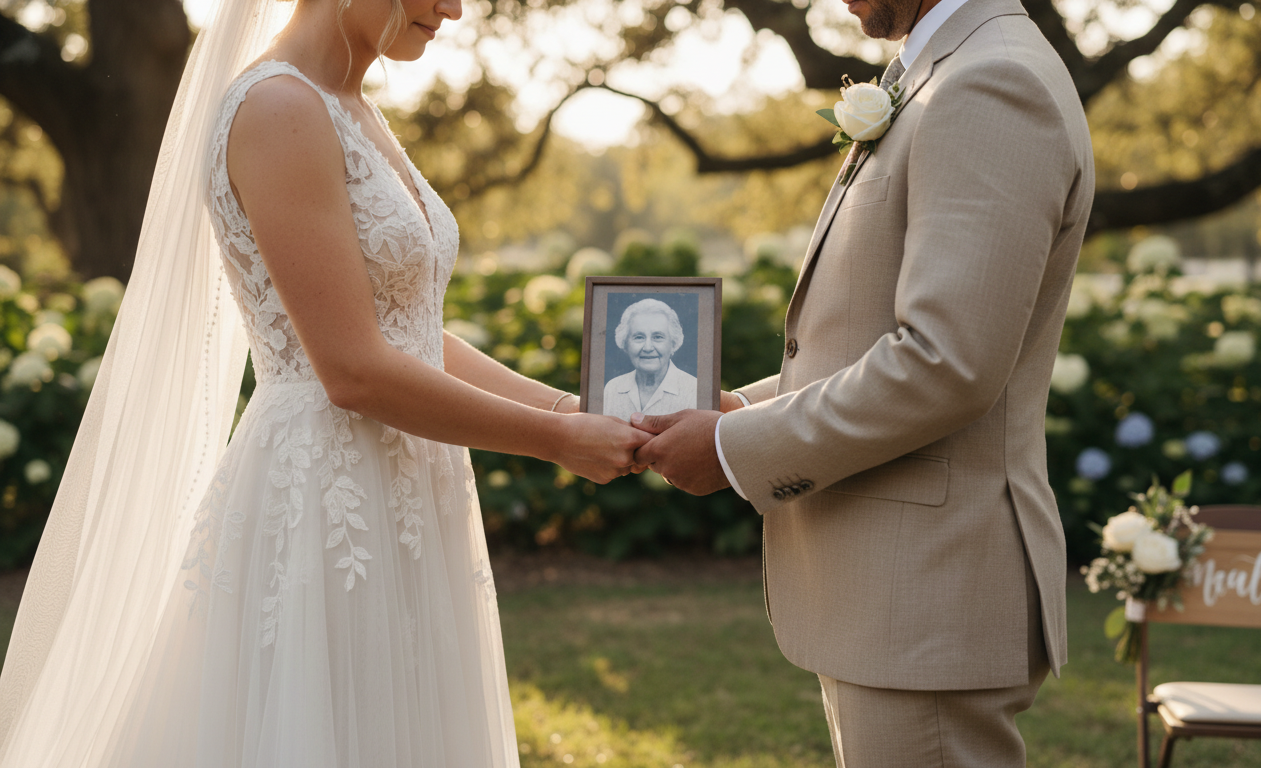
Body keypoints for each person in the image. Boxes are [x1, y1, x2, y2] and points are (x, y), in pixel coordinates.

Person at [0, 0, 647, 764]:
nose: (456, 9)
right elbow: (350, 369)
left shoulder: (349, 104)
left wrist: (570, 406)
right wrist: (556, 439)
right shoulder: (278, 107)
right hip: (329, 494)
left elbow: (409, 331)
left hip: (410, 484)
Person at [631, 0, 1094, 763]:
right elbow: (872, 339)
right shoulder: (942, 72)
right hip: (896, 591)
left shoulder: (995, 82)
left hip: (929, 587)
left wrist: (731, 449)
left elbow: (945, 364)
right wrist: (738, 407)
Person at [602, 298, 698, 421]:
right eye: (639, 337)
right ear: (625, 344)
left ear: (673, 343)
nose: (648, 347)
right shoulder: (613, 388)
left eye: (658, 337)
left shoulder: (693, 390)